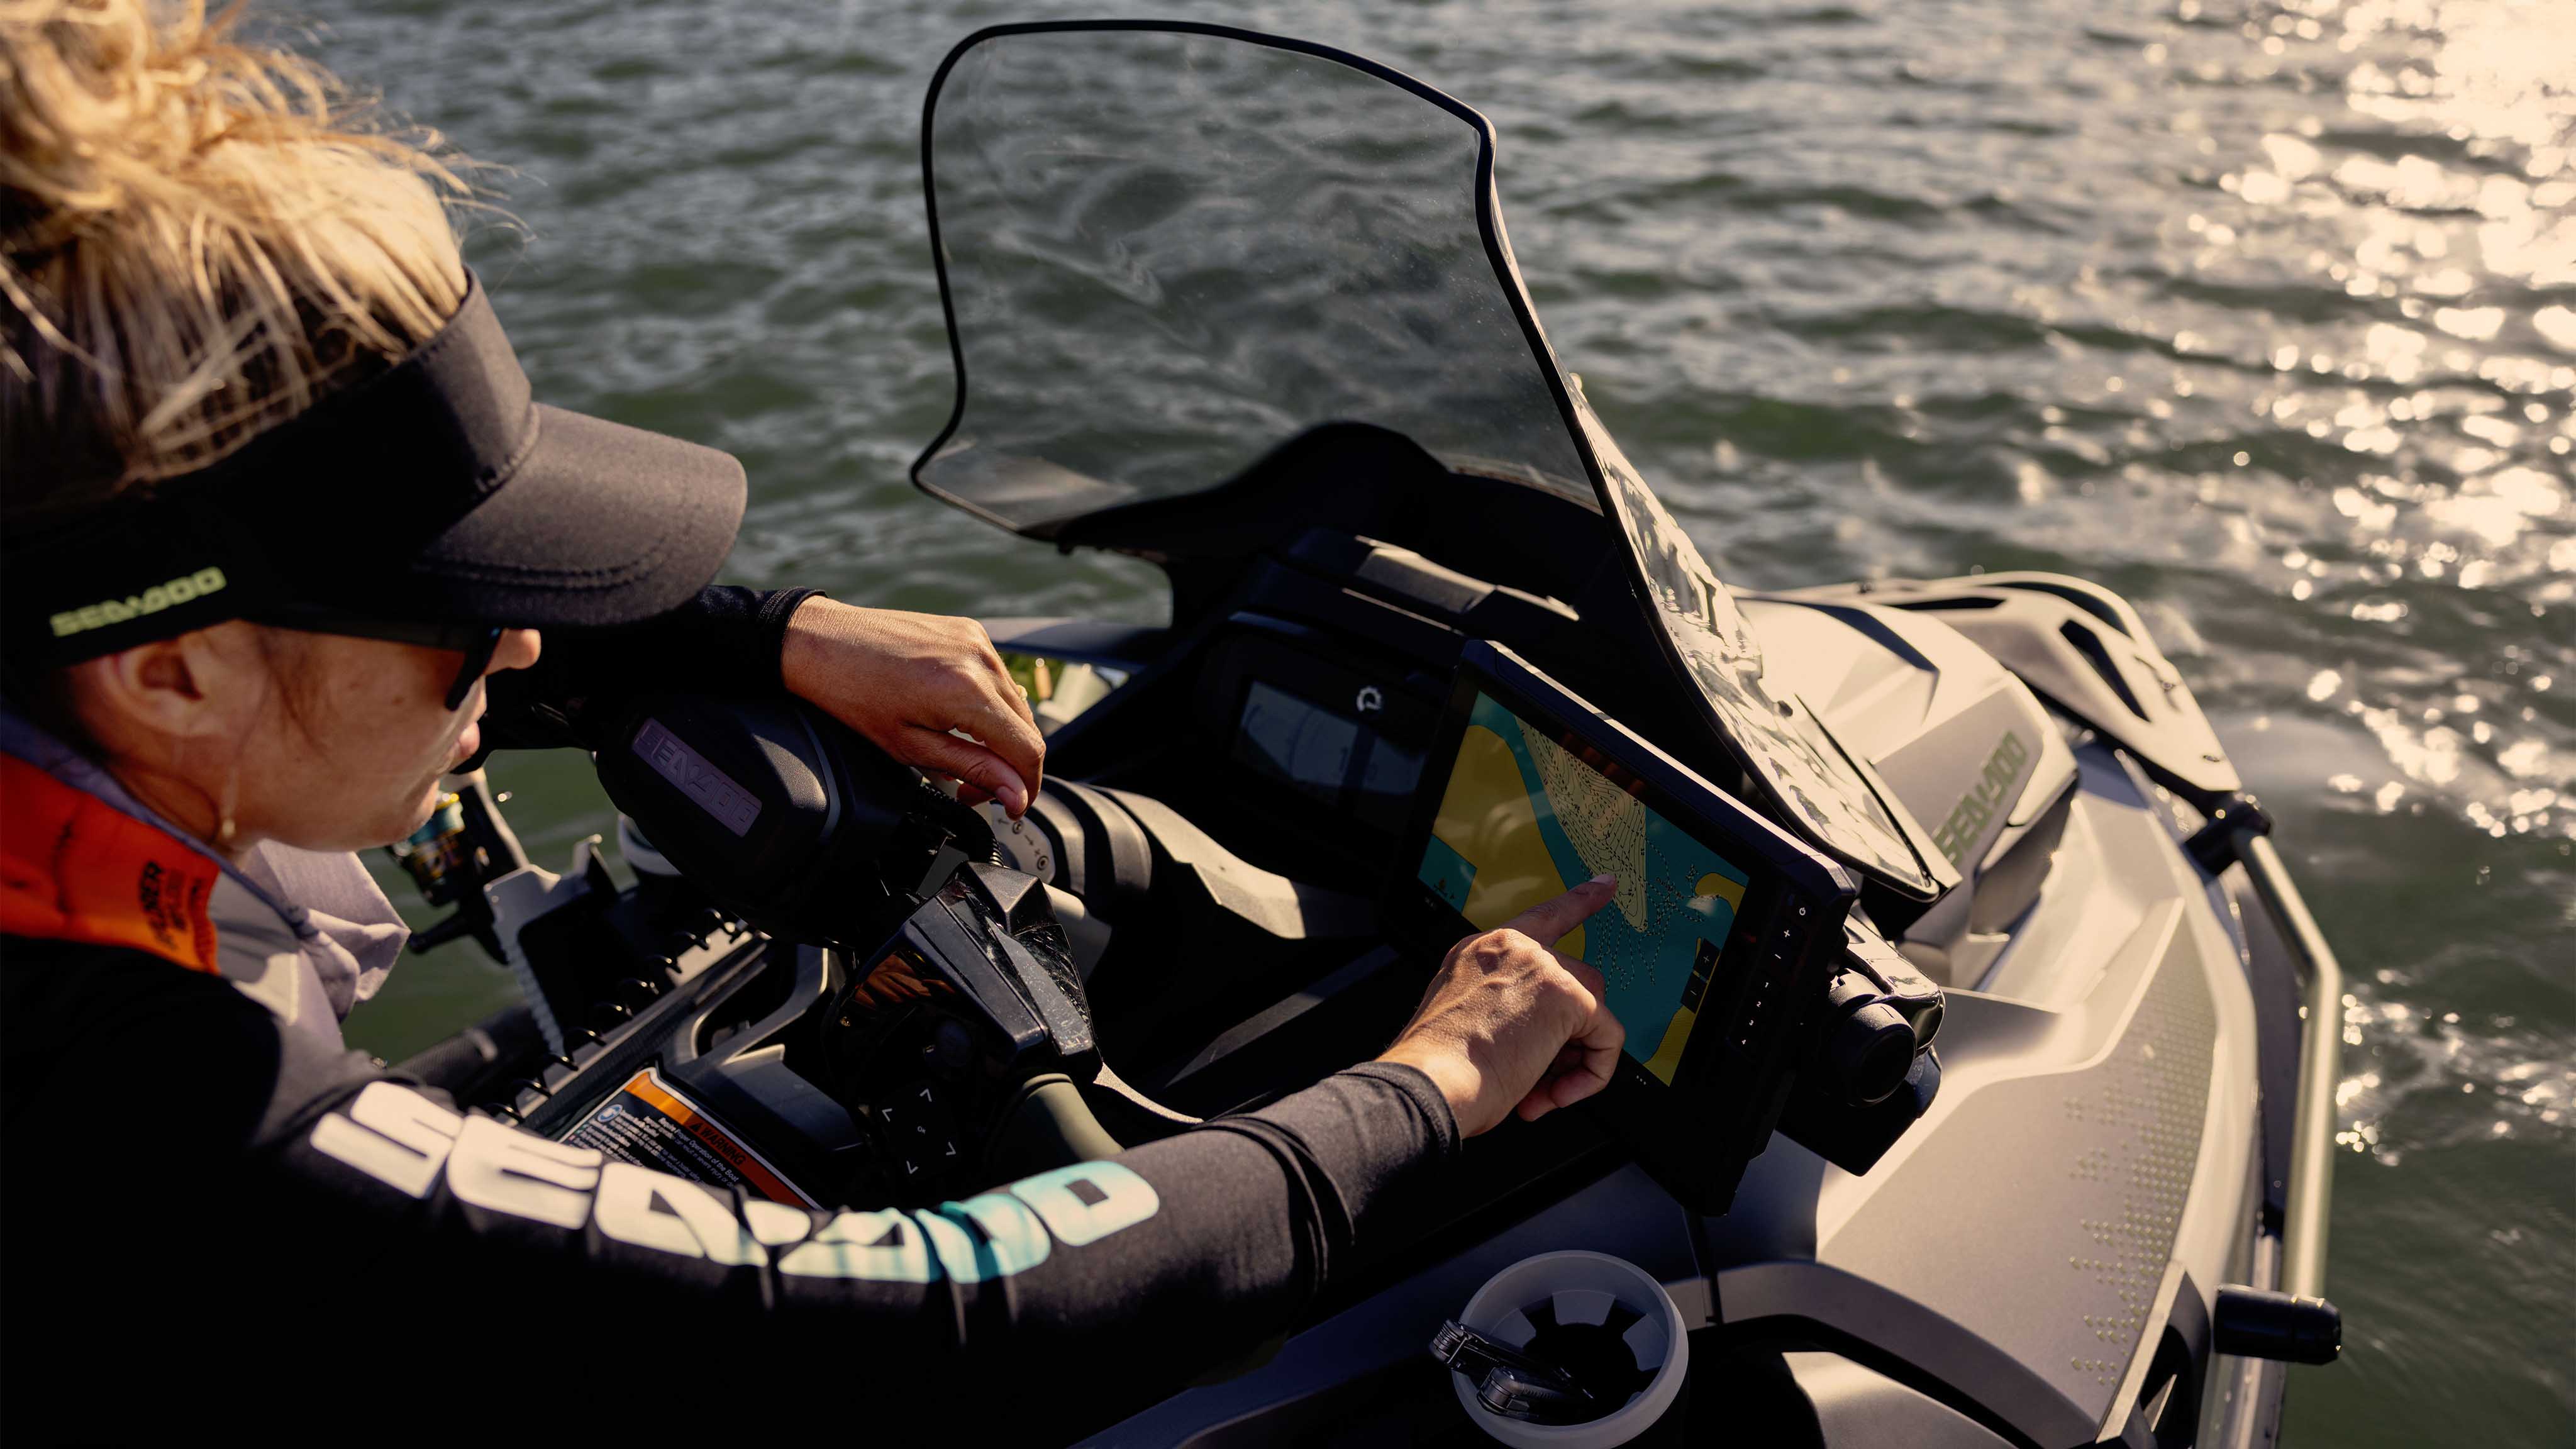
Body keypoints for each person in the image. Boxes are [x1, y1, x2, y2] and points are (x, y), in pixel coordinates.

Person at [0, 2, 1629, 1436]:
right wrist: (1432, 1084)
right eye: (457, 611)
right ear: (169, 672)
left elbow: (394, 665)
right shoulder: (132, 1113)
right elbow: (931, 1319)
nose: (520, 646)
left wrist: (762, 633)